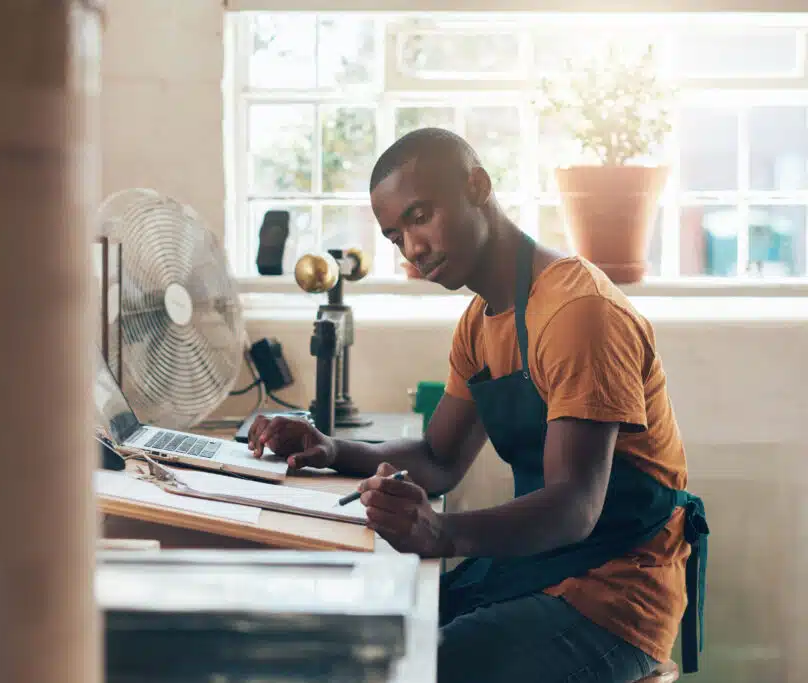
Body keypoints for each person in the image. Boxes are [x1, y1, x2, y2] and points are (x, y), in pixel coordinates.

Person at [247, 128, 708, 683]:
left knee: (408, 667)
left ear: (478, 185)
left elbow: (574, 508)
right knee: (359, 639)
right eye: (396, 236)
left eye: (420, 216)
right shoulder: (479, 322)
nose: (413, 248)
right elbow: (439, 458)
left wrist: (442, 533)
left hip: (613, 602)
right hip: (537, 572)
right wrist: (330, 448)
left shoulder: (576, 312)